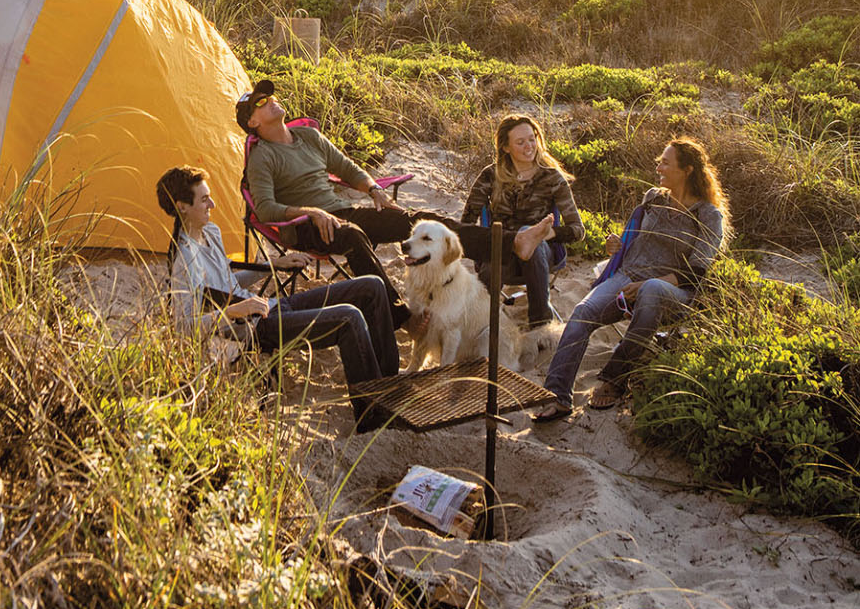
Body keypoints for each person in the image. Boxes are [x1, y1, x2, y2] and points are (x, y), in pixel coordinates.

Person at [238, 80, 554, 322]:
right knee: (353, 235)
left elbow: (346, 168)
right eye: (261, 103)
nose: (271, 102)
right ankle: (402, 318)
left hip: (342, 213)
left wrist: (374, 189)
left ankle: (512, 244)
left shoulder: (308, 137)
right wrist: (310, 211)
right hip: (304, 228)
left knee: (422, 221)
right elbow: (264, 209)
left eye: (270, 97)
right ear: (252, 122)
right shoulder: (263, 157)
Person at [155, 165, 400, 433]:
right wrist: (236, 310)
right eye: (204, 199)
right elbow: (184, 326)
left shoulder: (209, 232)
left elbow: (229, 281)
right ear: (182, 207)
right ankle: (372, 417)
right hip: (254, 327)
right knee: (348, 318)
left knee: (372, 287)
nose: (212, 203)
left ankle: (387, 388)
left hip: (268, 307)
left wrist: (276, 264)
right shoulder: (184, 260)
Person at [532, 136, 728, 421]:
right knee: (582, 314)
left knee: (651, 289)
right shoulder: (652, 199)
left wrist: (650, 283)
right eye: (659, 161)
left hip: (674, 291)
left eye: (665, 162)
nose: (658, 167)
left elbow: (698, 271)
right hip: (626, 277)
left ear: (687, 170)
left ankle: (615, 378)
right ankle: (558, 396)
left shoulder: (708, 215)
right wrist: (617, 246)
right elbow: (634, 242)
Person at [462, 114, 585, 329]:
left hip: (541, 254)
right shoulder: (491, 176)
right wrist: (486, 243)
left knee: (532, 235)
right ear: (506, 148)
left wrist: (549, 233)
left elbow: (578, 230)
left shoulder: (552, 178)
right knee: (498, 253)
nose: (529, 146)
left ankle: (540, 322)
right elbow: (466, 224)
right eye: (520, 142)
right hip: (500, 252)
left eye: (532, 138)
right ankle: (479, 322)